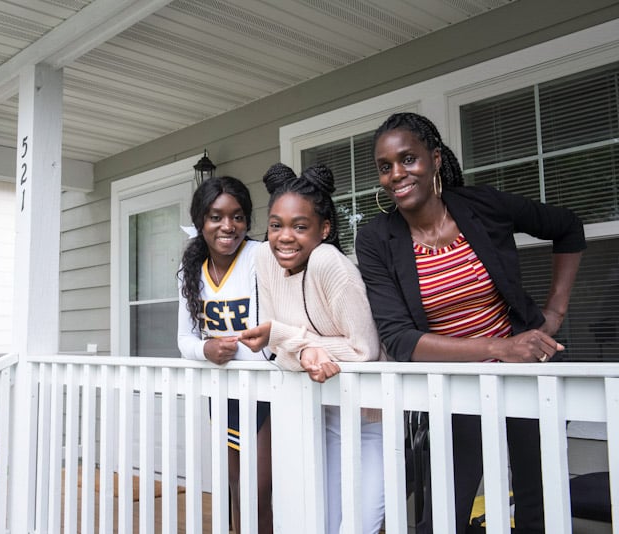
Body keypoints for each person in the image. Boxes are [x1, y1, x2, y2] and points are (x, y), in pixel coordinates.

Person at [355, 111, 585, 534]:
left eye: (409, 159)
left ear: (435, 159)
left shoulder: (482, 207)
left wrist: (554, 313)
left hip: (525, 380)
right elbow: (401, 339)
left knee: (538, 504)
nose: (396, 174)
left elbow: (567, 227)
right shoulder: (376, 238)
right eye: (385, 167)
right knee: (446, 513)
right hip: (454, 387)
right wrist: (498, 349)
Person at [239, 163, 387, 534]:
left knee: (360, 525)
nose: (284, 237)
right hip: (323, 415)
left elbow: (364, 351)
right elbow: (273, 352)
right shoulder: (263, 259)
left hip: (372, 418)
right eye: (276, 225)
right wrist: (303, 350)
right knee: (320, 521)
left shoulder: (328, 262)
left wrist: (292, 341)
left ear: (324, 229)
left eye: (300, 226)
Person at [177, 175, 273, 534]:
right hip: (225, 392)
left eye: (238, 216)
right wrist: (206, 348)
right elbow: (185, 340)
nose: (228, 226)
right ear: (201, 220)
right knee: (235, 484)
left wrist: (228, 352)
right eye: (216, 217)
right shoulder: (190, 272)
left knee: (259, 489)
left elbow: (268, 339)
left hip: (266, 390)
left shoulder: (259, 256)